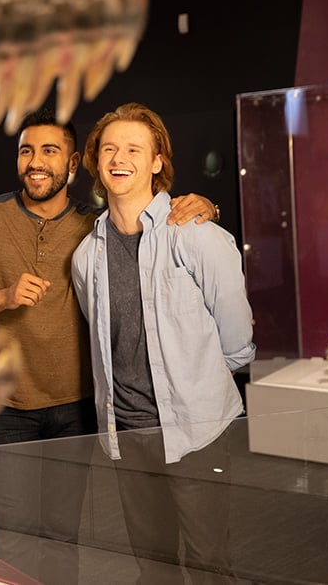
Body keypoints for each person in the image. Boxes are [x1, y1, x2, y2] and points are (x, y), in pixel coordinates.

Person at [0, 107, 217, 584]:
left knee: (60, 536)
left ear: (72, 165)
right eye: (26, 150)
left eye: (49, 151)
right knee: (11, 539)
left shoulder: (96, 227)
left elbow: (154, 221)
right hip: (4, 407)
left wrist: (206, 206)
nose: (35, 161)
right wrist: (1, 298)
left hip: (76, 410)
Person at [71, 102, 255, 583]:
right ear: (95, 160)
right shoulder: (86, 256)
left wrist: (199, 385)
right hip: (127, 433)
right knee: (151, 568)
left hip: (195, 431)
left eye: (134, 148)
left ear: (157, 162)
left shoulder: (198, 236)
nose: (119, 157)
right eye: (108, 148)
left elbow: (238, 341)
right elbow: (105, 338)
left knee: (209, 565)